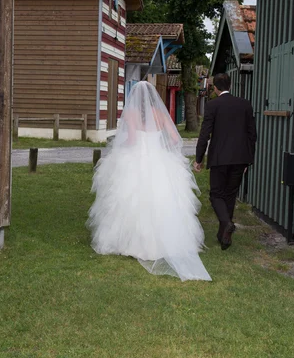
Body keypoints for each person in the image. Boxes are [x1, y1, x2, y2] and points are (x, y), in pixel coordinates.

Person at [87, 81, 211, 281]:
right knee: (164, 199)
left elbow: (133, 139)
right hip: (158, 159)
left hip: (136, 158)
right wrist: (159, 147)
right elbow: (173, 138)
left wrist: (123, 147)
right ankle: (165, 242)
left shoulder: (131, 114)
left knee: (130, 199)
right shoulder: (160, 114)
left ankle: (130, 243)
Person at [193, 73, 257, 250]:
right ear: (230, 84)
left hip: (219, 158)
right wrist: (248, 161)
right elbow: (252, 135)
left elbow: (205, 134)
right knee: (230, 195)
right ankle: (224, 237)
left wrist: (199, 158)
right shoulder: (245, 104)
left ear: (215, 87)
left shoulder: (213, 105)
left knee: (216, 194)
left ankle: (226, 224)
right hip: (240, 158)